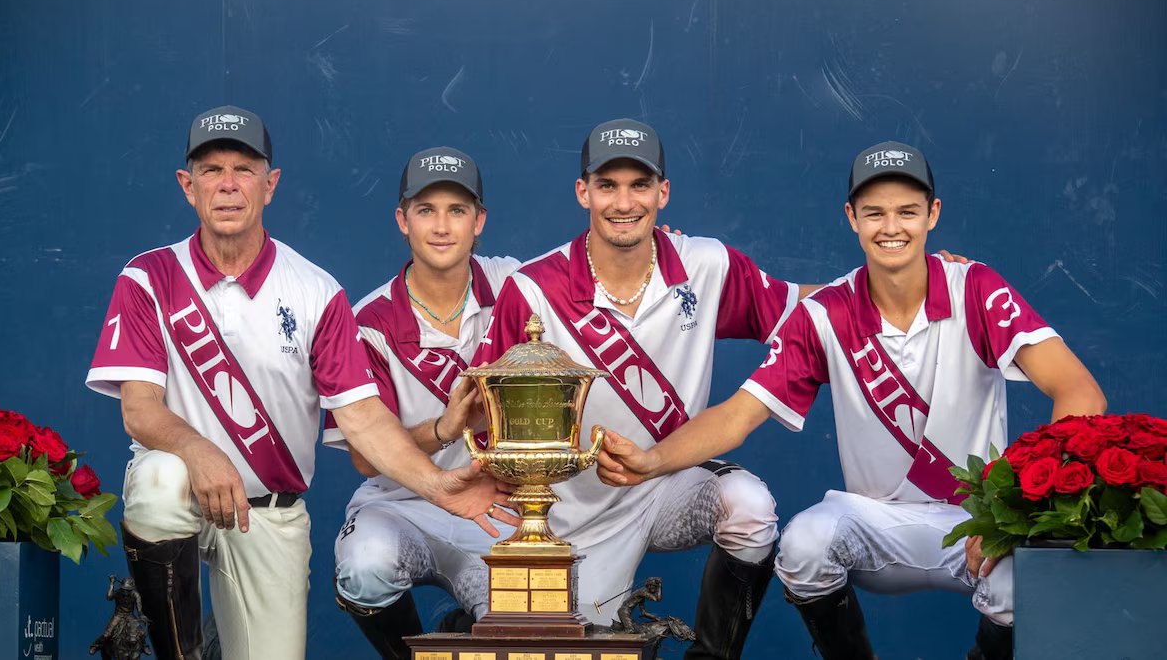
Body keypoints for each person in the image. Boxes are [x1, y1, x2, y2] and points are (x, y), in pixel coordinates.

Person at [594, 141, 1107, 659]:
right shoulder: (826, 313)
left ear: (933, 214)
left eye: (908, 211)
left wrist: (1015, 511)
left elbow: (1079, 391)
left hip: (978, 519)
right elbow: (739, 415)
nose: (891, 227)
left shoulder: (977, 288)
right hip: (876, 525)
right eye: (874, 213)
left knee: (1019, 583)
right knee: (804, 544)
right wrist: (652, 461)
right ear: (852, 218)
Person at [85, 107, 515, 660]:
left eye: (244, 169)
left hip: (267, 511)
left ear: (271, 184)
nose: (228, 185)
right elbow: (139, 410)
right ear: (187, 186)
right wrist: (199, 451)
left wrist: (437, 485)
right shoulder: (149, 277)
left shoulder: (316, 292)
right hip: (187, 485)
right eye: (211, 170)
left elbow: (362, 418)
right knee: (159, 479)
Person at [460, 117, 807, 660]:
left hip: (666, 483)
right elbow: (483, 412)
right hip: (567, 507)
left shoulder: (706, 265)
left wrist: (904, 273)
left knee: (749, 506)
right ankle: (470, 618)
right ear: (583, 192)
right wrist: (474, 470)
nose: (624, 202)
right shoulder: (532, 288)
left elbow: (807, 309)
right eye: (607, 185)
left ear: (662, 192)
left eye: (639, 185)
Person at [321, 147, 522, 658]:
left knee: (533, 615)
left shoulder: (518, 287)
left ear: (479, 221)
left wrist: (655, 249)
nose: (441, 225)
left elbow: (594, 274)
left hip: (495, 507)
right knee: (364, 568)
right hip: (401, 505)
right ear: (402, 220)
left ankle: (461, 626)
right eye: (425, 210)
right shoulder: (367, 321)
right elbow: (367, 457)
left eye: (457, 210)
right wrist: (444, 427)